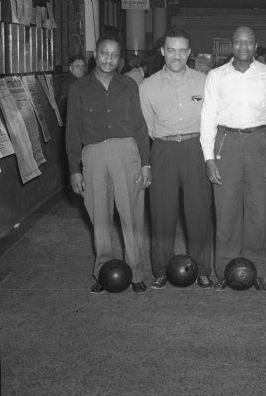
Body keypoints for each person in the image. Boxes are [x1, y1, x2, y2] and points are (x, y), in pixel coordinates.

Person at [66, 35, 151, 294]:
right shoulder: (79, 88)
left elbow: (139, 125)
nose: (109, 59)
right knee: (99, 216)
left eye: (114, 55)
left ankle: (136, 272)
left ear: (119, 59)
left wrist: (146, 164)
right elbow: (72, 131)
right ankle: (104, 271)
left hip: (127, 152)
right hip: (93, 155)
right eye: (104, 53)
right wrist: (74, 169)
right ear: (96, 54)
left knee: (132, 214)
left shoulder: (128, 85)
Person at [200, 26, 266, 291]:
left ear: (256, 46)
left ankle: (256, 270)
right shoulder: (215, 76)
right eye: (238, 42)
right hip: (227, 144)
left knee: (259, 212)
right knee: (226, 211)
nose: (243, 46)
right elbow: (208, 117)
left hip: (260, 143)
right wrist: (209, 158)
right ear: (230, 46)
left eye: (249, 42)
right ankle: (225, 270)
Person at [139, 27, 214, 290]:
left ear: (189, 52)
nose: (176, 56)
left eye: (182, 51)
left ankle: (203, 269)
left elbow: (213, 120)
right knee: (162, 213)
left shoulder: (205, 81)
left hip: (196, 150)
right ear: (162, 51)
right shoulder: (147, 86)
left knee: (199, 213)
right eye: (171, 50)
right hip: (164, 151)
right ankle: (161, 269)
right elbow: (145, 128)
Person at [57, 54, 86, 120]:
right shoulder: (69, 83)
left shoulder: (81, 80)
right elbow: (64, 105)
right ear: (70, 68)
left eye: (83, 66)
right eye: (77, 66)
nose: (81, 68)